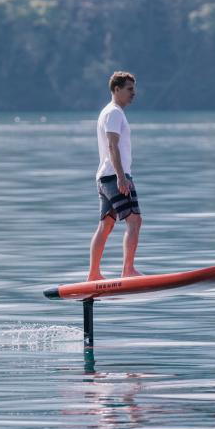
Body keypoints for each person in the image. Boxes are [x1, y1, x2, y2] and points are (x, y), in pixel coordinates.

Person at [88, 71, 142, 281]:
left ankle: (93, 274)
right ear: (116, 89)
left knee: (106, 225)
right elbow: (112, 145)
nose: (133, 93)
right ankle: (128, 270)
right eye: (129, 89)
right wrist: (121, 177)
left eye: (133, 89)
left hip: (105, 177)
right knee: (134, 221)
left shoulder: (109, 112)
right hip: (114, 176)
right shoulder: (114, 113)